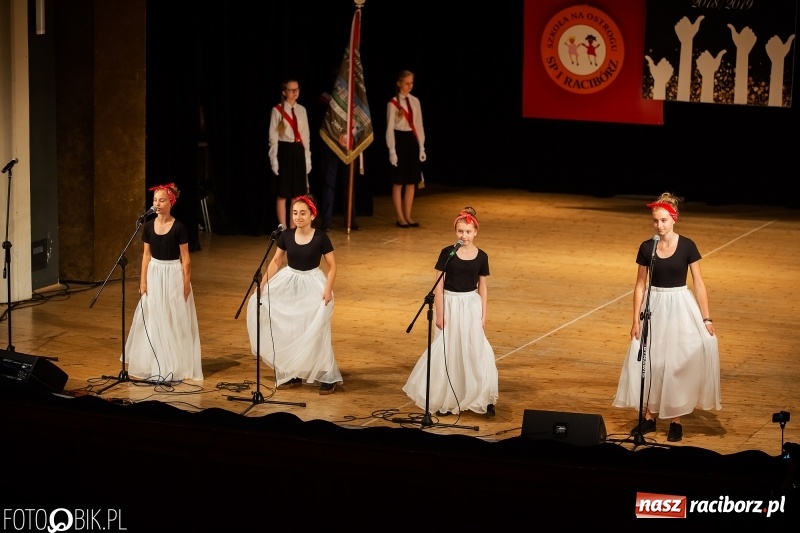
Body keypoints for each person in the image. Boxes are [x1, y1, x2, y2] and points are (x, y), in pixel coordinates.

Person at [613, 192, 720, 442]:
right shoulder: (647, 248)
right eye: (655, 221)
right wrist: (635, 320)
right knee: (652, 360)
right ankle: (649, 416)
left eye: (663, 220)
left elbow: (699, 284)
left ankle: (675, 419)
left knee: (676, 361)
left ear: (674, 219)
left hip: (680, 305)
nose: (659, 225)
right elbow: (640, 285)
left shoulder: (687, 246)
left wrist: (706, 318)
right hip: (655, 305)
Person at [403, 207, 498, 416]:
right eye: (460, 231)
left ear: (475, 232)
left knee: (476, 349)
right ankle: (444, 398)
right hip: (450, 304)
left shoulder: (482, 256)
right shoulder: (448, 253)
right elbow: (439, 284)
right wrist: (439, 312)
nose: (464, 236)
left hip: (470, 304)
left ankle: (482, 396)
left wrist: (483, 314)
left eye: (468, 232)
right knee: (449, 350)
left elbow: (482, 286)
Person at [246, 195, 342, 394]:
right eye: (295, 213)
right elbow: (276, 262)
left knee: (316, 329)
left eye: (303, 213)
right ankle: (293, 371)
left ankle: (326, 375)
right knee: (292, 328)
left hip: (313, 283)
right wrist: (262, 285)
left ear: (312, 215)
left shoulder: (320, 237)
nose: (298, 217)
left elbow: (332, 266)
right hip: (290, 281)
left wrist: (327, 289)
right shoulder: (286, 235)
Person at [124, 183, 203, 382]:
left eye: (161, 200)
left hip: (173, 274)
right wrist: (143, 281)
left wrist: (186, 283)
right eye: (155, 200)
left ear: (171, 203)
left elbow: (186, 258)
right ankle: (155, 361)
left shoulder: (179, 228)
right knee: (154, 316)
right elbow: (146, 256)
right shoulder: (149, 226)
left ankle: (175, 363)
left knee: (172, 317)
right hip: (154, 273)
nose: (157, 204)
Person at [269, 79, 311, 229]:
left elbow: (306, 135)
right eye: (291, 90)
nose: (294, 93)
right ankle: (283, 228)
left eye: (297, 89)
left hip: (298, 151)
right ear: (284, 92)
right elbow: (273, 137)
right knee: (283, 193)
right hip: (284, 152)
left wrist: (307, 158)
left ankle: (293, 228)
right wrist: (274, 159)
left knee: (296, 194)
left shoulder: (302, 110)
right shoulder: (277, 110)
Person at [386, 70, 425, 228]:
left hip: (412, 140)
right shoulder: (393, 103)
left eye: (412, 83)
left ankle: (408, 216)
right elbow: (389, 128)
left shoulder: (415, 101)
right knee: (399, 181)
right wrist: (392, 150)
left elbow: (419, 125)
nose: (410, 86)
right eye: (407, 83)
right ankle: (400, 217)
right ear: (399, 83)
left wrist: (422, 146)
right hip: (399, 140)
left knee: (411, 181)